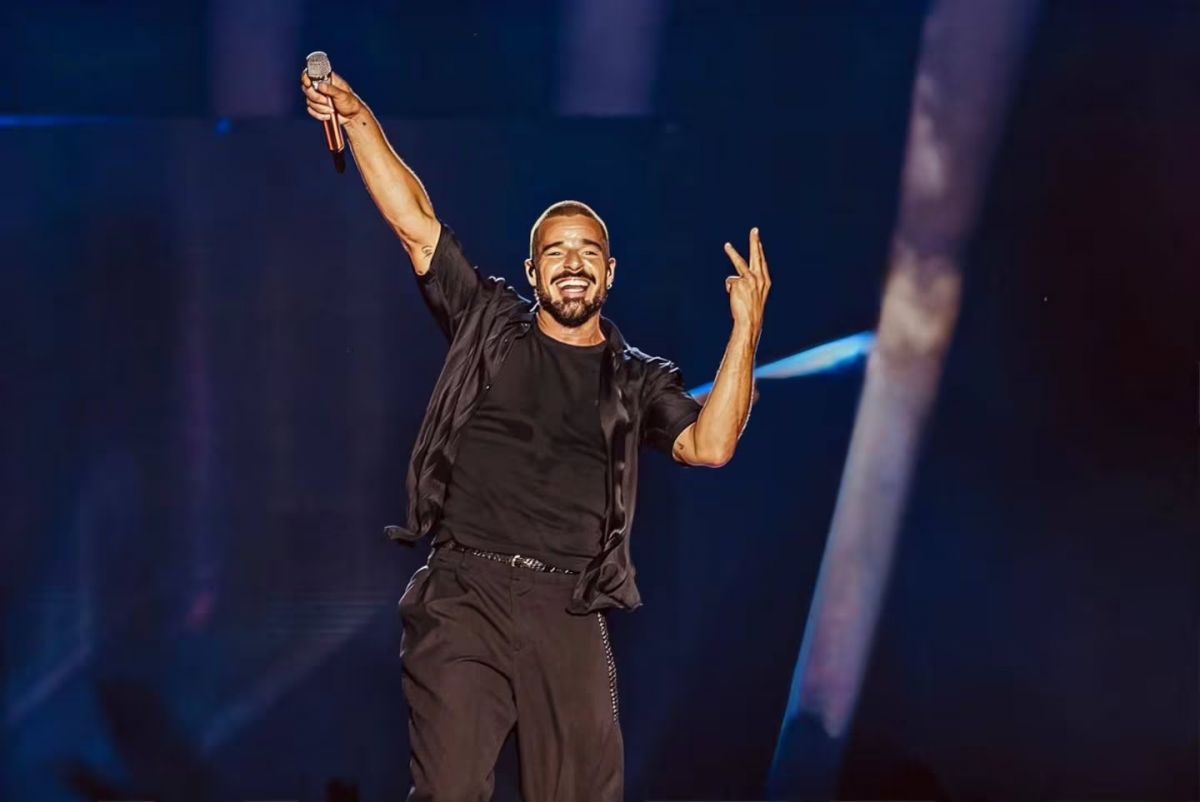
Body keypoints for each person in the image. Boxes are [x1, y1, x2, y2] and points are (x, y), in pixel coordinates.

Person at [302, 68, 771, 802]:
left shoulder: (638, 378)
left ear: (609, 273)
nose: (572, 264)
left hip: (569, 608)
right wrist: (357, 116)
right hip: (465, 592)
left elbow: (710, 446)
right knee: (450, 789)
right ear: (532, 270)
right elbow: (415, 222)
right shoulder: (489, 322)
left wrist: (746, 327)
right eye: (556, 251)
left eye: (587, 252)